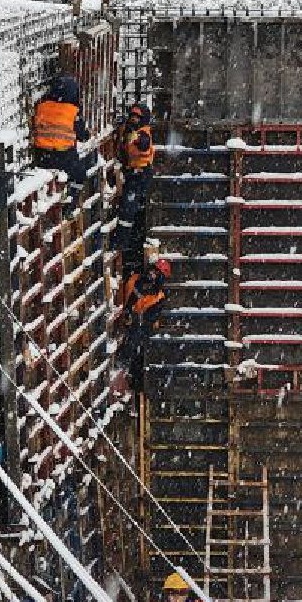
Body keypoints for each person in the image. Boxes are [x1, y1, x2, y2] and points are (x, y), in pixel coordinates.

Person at [117, 241, 172, 391]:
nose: (152, 274)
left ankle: (123, 362)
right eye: (152, 271)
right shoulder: (135, 278)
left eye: (156, 273)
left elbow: (148, 321)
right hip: (121, 313)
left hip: (135, 326)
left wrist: (133, 318)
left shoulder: (158, 298)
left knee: (135, 340)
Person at [29, 76, 92, 205]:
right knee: (80, 174)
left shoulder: (42, 107)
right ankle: (71, 202)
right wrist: (87, 134)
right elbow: (81, 136)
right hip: (63, 156)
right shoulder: (73, 112)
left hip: (41, 155)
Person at [114, 102, 156, 254]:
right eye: (132, 116)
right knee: (130, 206)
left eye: (137, 117)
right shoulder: (132, 130)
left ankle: (122, 242)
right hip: (133, 173)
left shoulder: (143, 133)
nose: (133, 119)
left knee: (128, 208)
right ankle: (126, 240)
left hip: (140, 174)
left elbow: (143, 144)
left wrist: (134, 136)